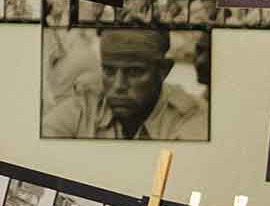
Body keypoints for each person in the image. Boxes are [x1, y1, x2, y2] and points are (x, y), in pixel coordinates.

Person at [42, 28, 208, 139]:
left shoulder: (191, 115)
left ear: (163, 70)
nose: (118, 85)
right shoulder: (85, 107)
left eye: (134, 72)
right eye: (109, 71)